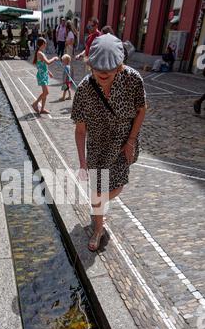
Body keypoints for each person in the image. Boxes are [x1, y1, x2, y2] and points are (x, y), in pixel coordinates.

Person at [72, 34, 146, 251]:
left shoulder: (133, 79)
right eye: (98, 69)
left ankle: (98, 207)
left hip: (124, 142)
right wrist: (82, 163)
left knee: (116, 186)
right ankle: (98, 228)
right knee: (97, 192)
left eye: (110, 69)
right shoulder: (85, 89)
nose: (103, 74)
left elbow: (142, 110)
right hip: (97, 147)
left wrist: (131, 140)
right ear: (90, 65)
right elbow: (80, 130)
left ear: (120, 65)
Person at [32, 37, 59, 115]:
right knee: (46, 92)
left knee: (45, 92)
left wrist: (49, 72)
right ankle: (35, 103)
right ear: (43, 44)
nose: (46, 45)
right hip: (41, 75)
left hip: (44, 74)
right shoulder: (40, 53)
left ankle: (42, 109)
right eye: (45, 43)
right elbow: (47, 62)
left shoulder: (41, 52)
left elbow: (43, 65)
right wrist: (54, 58)